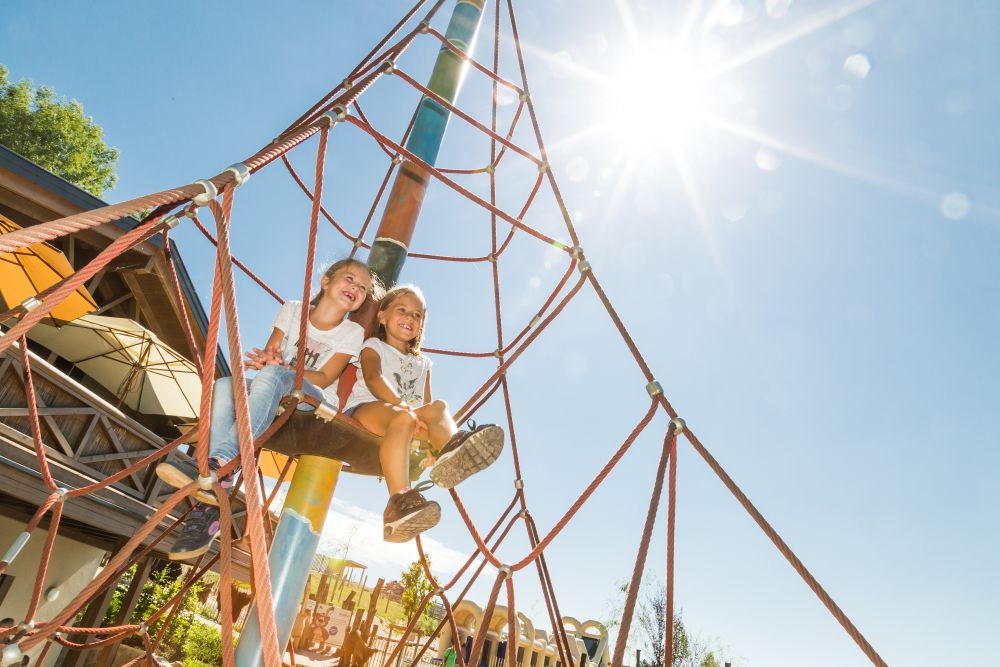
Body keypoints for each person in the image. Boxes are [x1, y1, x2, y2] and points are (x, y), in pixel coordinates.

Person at [155, 258, 377, 559]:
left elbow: (325, 377)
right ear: (326, 281)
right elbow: (273, 351)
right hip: (276, 390)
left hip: (312, 403)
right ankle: (210, 502)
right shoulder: (294, 310)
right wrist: (268, 359)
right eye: (350, 279)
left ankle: (220, 466)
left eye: (362, 288)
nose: (355, 288)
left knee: (276, 376)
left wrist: (280, 369)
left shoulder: (351, 333)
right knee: (225, 386)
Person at [343, 284, 504, 542]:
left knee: (439, 406)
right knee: (404, 417)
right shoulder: (374, 346)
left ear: (422, 325)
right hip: (367, 410)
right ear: (382, 316)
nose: (409, 317)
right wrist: (403, 407)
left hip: (408, 419)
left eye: (417, 315)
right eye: (402, 310)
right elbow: (374, 379)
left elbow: (426, 404)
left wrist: (428, 441)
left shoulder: (423, 363)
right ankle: (398, 501)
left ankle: (449, 452)